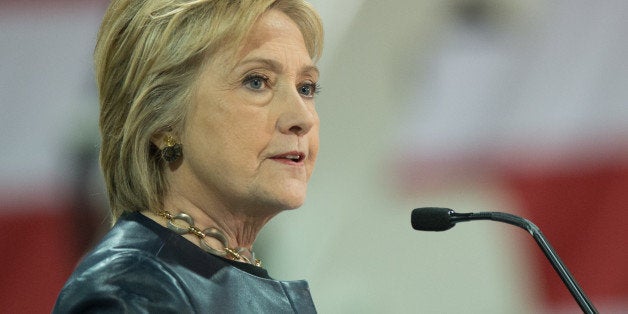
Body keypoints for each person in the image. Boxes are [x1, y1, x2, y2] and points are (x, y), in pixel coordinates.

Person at [53, 0, 323, 312]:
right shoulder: (132, 293)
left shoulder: (222, 275)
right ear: (163, 121)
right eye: (256, 81)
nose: (301, 117)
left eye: (306, 87)